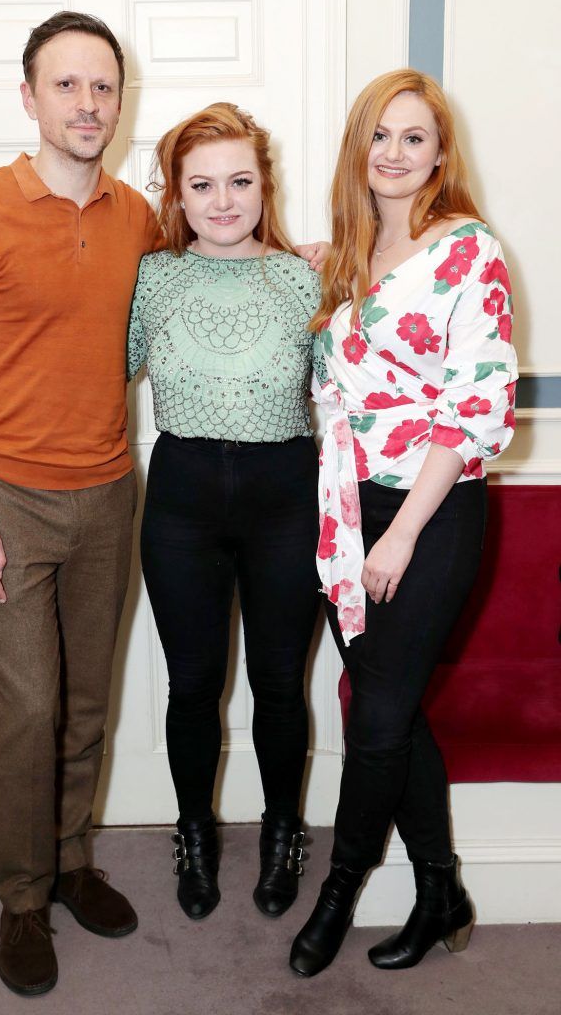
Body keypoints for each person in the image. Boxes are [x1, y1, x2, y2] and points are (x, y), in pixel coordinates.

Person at [0, 11, 162, 997]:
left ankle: (70, 860)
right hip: (5, 498)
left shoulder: (137, 218)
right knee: (26, 708)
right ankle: (23, 897)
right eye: (66, 85)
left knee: (88, 699)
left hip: (108, 491)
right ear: (29, 98)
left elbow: (186, 295)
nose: (87, 103)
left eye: (102, 86)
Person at [289, 69, 518, 978]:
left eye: (413, 137)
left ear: (439, 153)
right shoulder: (346, 255)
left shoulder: (470, 250)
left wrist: (399, 534)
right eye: (379, 135)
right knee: (398, 711)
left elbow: (475, 411)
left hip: (431, 508)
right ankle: (440, 889)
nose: (394, 152)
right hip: (345, 505)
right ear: (360, 148)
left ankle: (339, 890)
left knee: (375, 716)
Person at [127, 102, 328, 921]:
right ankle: (195, 833)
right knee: (193, 685)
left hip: (288, 497)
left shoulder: (307, 275)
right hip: (182, 498)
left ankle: (284, 831)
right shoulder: (150, 277)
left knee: (281, 683)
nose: (222, 200)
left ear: (264, 185)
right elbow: (86, 367)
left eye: (239, 181)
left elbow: (352, 387)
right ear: (175, 193)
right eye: (201, 184)